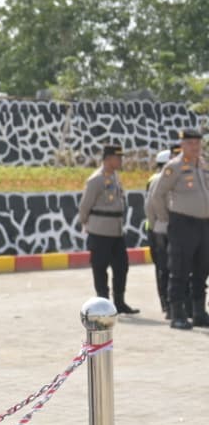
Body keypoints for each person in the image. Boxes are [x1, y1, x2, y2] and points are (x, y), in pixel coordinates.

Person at [149, 128, 209, 330]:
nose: (195, 147)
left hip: (203, 224)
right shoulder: (173, 167)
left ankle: (199, 312)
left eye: (198, 143)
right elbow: (157, 195)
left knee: (202, 268)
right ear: (182, 145)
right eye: (191, 143)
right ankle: (178, 314)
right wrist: (167, 219)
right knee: (180, 269)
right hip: (182, 223)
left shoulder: (202, 164)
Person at [80, 143, 138, 314]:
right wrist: (86, 224)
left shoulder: (115, 177)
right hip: (100, 231)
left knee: (121, 266)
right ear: (108, 159)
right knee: (100, 267)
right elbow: (85, 206)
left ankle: (119, 302)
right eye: (118, 157)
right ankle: (103, 303)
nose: (120, 160)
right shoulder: (96, 179)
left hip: (116, 231)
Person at [145, 146, 178, 317]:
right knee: (165, 267)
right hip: (160, 228)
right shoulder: (157, 179)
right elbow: (151, 206)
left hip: (156, 228)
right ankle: (167, 303)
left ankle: (167, 303)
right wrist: (161, 221)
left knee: (164, 268)